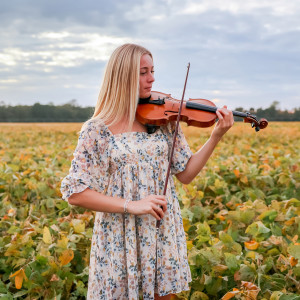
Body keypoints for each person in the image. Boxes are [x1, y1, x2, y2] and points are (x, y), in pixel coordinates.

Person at [60, 43, 234, 300]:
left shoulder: (163, 119)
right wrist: (133, 205)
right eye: (143, 72)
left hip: (162, 230)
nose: (151, 78)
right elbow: (75, 193)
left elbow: (185, 174)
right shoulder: (97, 129)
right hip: (119, 236)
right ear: (123, 76)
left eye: (152, 70)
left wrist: (216, 136)